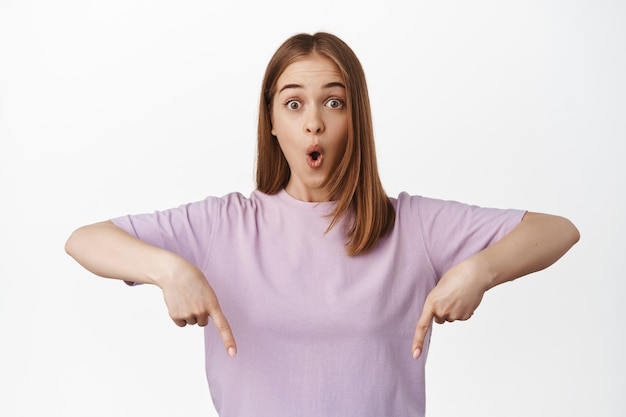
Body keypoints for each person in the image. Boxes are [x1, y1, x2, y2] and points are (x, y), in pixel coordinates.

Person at [65, 32, 579, 417]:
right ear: (272, 121)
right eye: (294, 104)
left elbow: (559, 230)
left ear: (357, 116)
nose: (314, 121)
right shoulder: (224, 225)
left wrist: (480, 271)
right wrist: (168, 271)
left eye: (334, 102)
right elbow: (83, 240)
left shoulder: (412, 226)